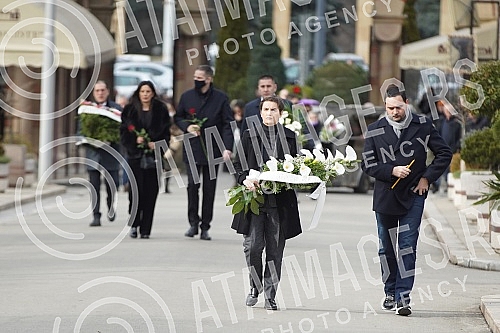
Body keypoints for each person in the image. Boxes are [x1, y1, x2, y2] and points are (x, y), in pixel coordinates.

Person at [361, 84, 452, 316]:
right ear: (385, 106)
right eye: (390, 108)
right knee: (386, 249)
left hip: (414, 194)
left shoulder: (422, 125)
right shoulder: (375, 129)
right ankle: (389, 291)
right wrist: (391, 170)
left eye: (398, 107)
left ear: (407, 103)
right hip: (385, 196)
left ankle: (403, 298)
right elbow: (368, 164)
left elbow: (444, 153)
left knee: (407, 247)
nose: (394, 112)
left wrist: (426, 179)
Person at [232, 96, 301, 311]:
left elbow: (297, 167)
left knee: (275, 250)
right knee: (253, 246)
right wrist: (246, 179)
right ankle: (255, 284)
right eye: (266, 109)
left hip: (279, 202)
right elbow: (238, 164)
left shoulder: (290, 137)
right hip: (254, 199)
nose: (269, 113)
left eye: (274, 109)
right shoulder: (249, 135)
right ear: (260, 112)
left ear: (281, 113)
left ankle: (271, 295)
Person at [174, 65, 234, 241]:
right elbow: (178, 117)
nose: (196, 80)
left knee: (209, 189)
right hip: (192, 147)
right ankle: (193, 222)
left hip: (213, 150)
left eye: (200, 77)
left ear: (209, 79)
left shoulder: (221, 98)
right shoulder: (187, 97)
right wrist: (187, 126)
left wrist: (227, 147)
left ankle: (205, 226)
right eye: (195, 77)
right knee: (192, 186)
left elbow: (228, 123)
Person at [120, 81, 171, 239]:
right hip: (135, 157)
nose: (145, 94)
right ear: (138, 93)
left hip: (153, 158)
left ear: (153, 93)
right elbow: (123, 132)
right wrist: (135, 141)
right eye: (142, 91)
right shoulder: (130, 110)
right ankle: (134, 224)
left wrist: (157, 145)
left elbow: (166, 134)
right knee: (136, 192)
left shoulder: (161, 110)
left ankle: (146, 229)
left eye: (148, 91)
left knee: (151, 192)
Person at [84, 81, 123, 227]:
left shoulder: (116, 109)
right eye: (97, 91)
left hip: (111, 154)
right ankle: (96, 215)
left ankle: (111, 206)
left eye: (102, 90)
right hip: (93, 154)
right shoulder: (87, 109)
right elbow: (80, 130)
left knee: (112, 186)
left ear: (107, 92)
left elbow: (121, 130)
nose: (100, 93)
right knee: (94, 186)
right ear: (94, 93)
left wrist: (111, 139)